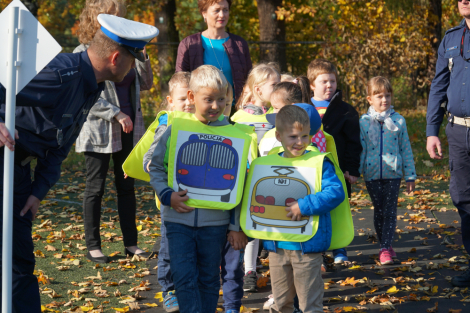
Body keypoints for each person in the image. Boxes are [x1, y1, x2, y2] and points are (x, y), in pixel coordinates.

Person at [0, 14, 158, 312]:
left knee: (20, 262)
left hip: (19, 173)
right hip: (3, 162)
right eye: (132, 59)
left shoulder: (92, 84)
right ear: (115, 58)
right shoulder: (62, 75)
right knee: (10, 261)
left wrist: (38, 190)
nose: (133, 68)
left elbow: (61, 142)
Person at [149, 65, 249, 313]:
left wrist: (235, 226)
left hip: (215, 225)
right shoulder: (175, 130)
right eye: (209, 99)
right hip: (177, 220)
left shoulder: (235, 136)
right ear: (192, 98)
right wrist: (166, 195)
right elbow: (156, 168)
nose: (216, 106)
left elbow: (240, 186)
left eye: (221, 100)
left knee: (208, 279)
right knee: (183, 278)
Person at [73, 0, 154, 264]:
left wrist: (142, 56)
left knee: (126, 186)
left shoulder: (129, 49)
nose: (121, 19)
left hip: (130, 127)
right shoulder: (83, 51)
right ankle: (93, 246)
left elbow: (147, 85)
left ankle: (131, 244)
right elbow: (86, 94)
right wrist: (116, 113)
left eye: (121, 14)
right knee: (95, 188)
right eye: (114, 14)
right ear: (98, 17)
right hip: (99, 130)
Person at [264, 104, 345, 313]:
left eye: (305, 136)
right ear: (279, 135)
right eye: (293, 136)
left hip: (307, 249)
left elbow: (335, 192)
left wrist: (305, 205)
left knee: (310, 305)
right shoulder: (268, 163)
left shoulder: (319, 162)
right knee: (281, 304)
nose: (300, 142)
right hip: (278, 247)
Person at [426, 0, 470, 287]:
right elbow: (439, 85)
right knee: (464, 199)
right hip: (457, 132)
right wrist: (432, 130)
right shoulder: (452, 38)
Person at [143, 71, 192, 312]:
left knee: (193, 248)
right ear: (170, 101)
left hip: (196, 201)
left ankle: (187, 287)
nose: (188, 103)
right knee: (169, 247)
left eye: (191, 97)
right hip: (170, 201)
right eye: (182, 98)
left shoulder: (200, 124)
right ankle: (168, 290)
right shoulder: (166, 126)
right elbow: (149, 159)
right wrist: (154, 167)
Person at [307, 59, 362, 264]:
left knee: (338, 209)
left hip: (337, 170)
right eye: (323, 81)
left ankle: (339, 248)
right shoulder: (304, 108)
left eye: (332, 81)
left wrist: (351, 169)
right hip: (311, 169)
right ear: (312, 84)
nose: (329, 85)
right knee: (316, 208)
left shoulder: (346, 111)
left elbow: (353, 143)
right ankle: (317, 249)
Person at [360, 77, 416, 265]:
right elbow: (361, 148)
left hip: (393, 174)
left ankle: (384, 248)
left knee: (390, 211)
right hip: (372, 174)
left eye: (388, 96)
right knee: (379, 211)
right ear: (370, 99)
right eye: (379, 96)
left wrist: (409, 175)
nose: (384, 100)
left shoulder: (399, 121)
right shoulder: (364, 122)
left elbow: (405, 148)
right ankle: (385, 242)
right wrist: (356, 171)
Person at [175, 0, 252, 107]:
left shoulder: (239, 44)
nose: (222, 15)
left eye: (225, 10)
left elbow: (250, 80)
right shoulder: (188, 44)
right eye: (216, 10)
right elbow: (180, 83)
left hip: (235, 111)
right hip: (201, 113)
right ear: (204, 13)